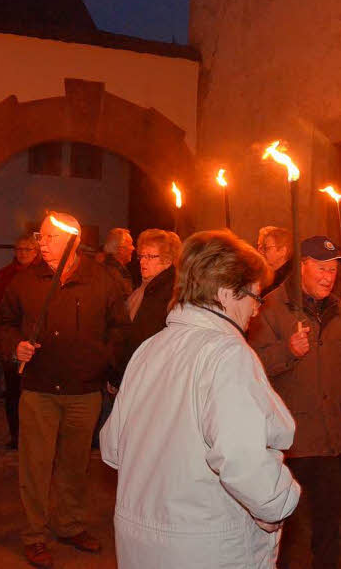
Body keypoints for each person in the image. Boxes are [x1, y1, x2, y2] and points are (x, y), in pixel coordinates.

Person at [100, 230, 301, 569]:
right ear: (226, 293)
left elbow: (112, 447)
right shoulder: (227, 354)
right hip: (206, 545)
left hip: (141, 544)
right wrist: (281, 502)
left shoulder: (150, 348)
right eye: (254, 296)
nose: (256, 310)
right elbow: (242, 461)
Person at [0, 212, 130, 569]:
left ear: (71, 240)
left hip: (83, 390)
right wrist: (16, 347)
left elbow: (120, 328)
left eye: (48, 238)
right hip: (39, 389)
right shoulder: (25, 281)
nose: (41, 244)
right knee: (36, 466)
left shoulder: (100, 280)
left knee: (75, 465)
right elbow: (5, 322)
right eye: (39, 238)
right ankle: (35, 535)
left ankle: (69, 524)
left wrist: (101, 361)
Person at [248, 236, 341, 569]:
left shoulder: (340, 310)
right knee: (282, 527)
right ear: (302, 267)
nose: (329, 277)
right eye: (322, 269)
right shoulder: (269, 308)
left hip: (329, 438)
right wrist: (287, 352)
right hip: (290, 441)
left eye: (334, 270)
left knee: (328, 526)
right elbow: (251, 368)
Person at [0, 233, 39, 449]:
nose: (22, 254)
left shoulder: (40, 276)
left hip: (34, 345)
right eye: (19, 249)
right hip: (11, 342)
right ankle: (16, 434)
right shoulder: (6, 274)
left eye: (27, 250)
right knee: (13, 392)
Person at [113, 228, 181, 381]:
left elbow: (140, 339)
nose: (143, 261)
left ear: (167, 260)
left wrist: (119, 375)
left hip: (149, 376)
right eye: (142, 256)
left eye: (150, 256)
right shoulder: (144, 288)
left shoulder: (168, 293)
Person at [96, 227, 135, 295]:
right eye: (130, 244)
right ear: (121, 249)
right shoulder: (113, 274)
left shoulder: (111, 269)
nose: (133, 248)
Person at [257, 226, 293, 295]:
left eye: (266, 248)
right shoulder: (267, 273)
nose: (262, 252)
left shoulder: (289, 280)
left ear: (282, 251)